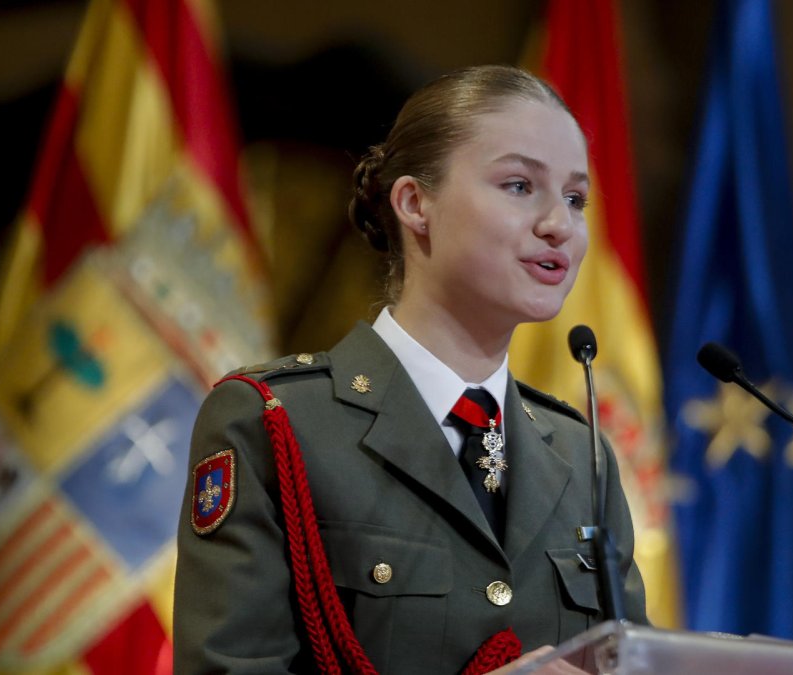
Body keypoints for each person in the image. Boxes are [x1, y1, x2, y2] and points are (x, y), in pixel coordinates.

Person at [173, 64, 648, 674]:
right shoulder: (275, 425)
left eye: (576, 198)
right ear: (415, 202)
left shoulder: (584, 458)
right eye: (519, 186)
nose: (559, 224)